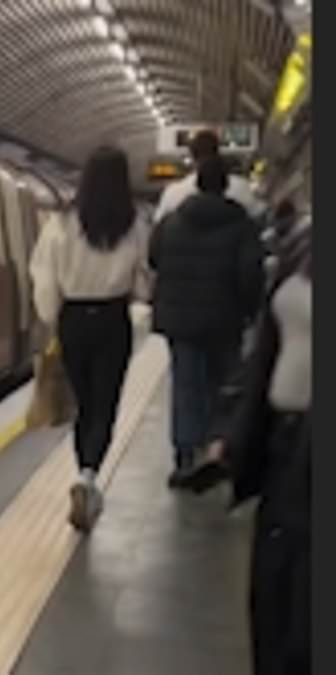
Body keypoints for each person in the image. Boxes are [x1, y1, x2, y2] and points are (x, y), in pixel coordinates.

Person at [187, 221, 310, 675]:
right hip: (286, 447)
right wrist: (233, 429)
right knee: (276, 607)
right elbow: (265, 350)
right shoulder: (305, 243)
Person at [29, 146, 148, 532]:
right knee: (105, 402)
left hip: (73, 320)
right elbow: (145, 280)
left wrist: (52, 319)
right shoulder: (133, 225)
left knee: (82, 403)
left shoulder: (61, 224)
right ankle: (88, 475)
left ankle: (84, 471)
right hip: (113, 320)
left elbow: (44, 280)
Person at [149, 157, 264, 487]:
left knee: (185, 386)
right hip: (225, 320)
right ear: (225, 186)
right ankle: (216, 452)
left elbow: (154, 258)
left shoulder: (171, 221)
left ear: (197, 184)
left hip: (181, 320)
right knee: (223, 387)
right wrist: (249, 311)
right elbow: (250, 274)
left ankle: (185, 455)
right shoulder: (242, 223)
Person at [153, 130, 260, 224]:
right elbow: (258, 216)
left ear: (192, 157)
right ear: (218, 152)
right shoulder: (241, 186)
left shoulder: (173, 192)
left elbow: (159, 223)